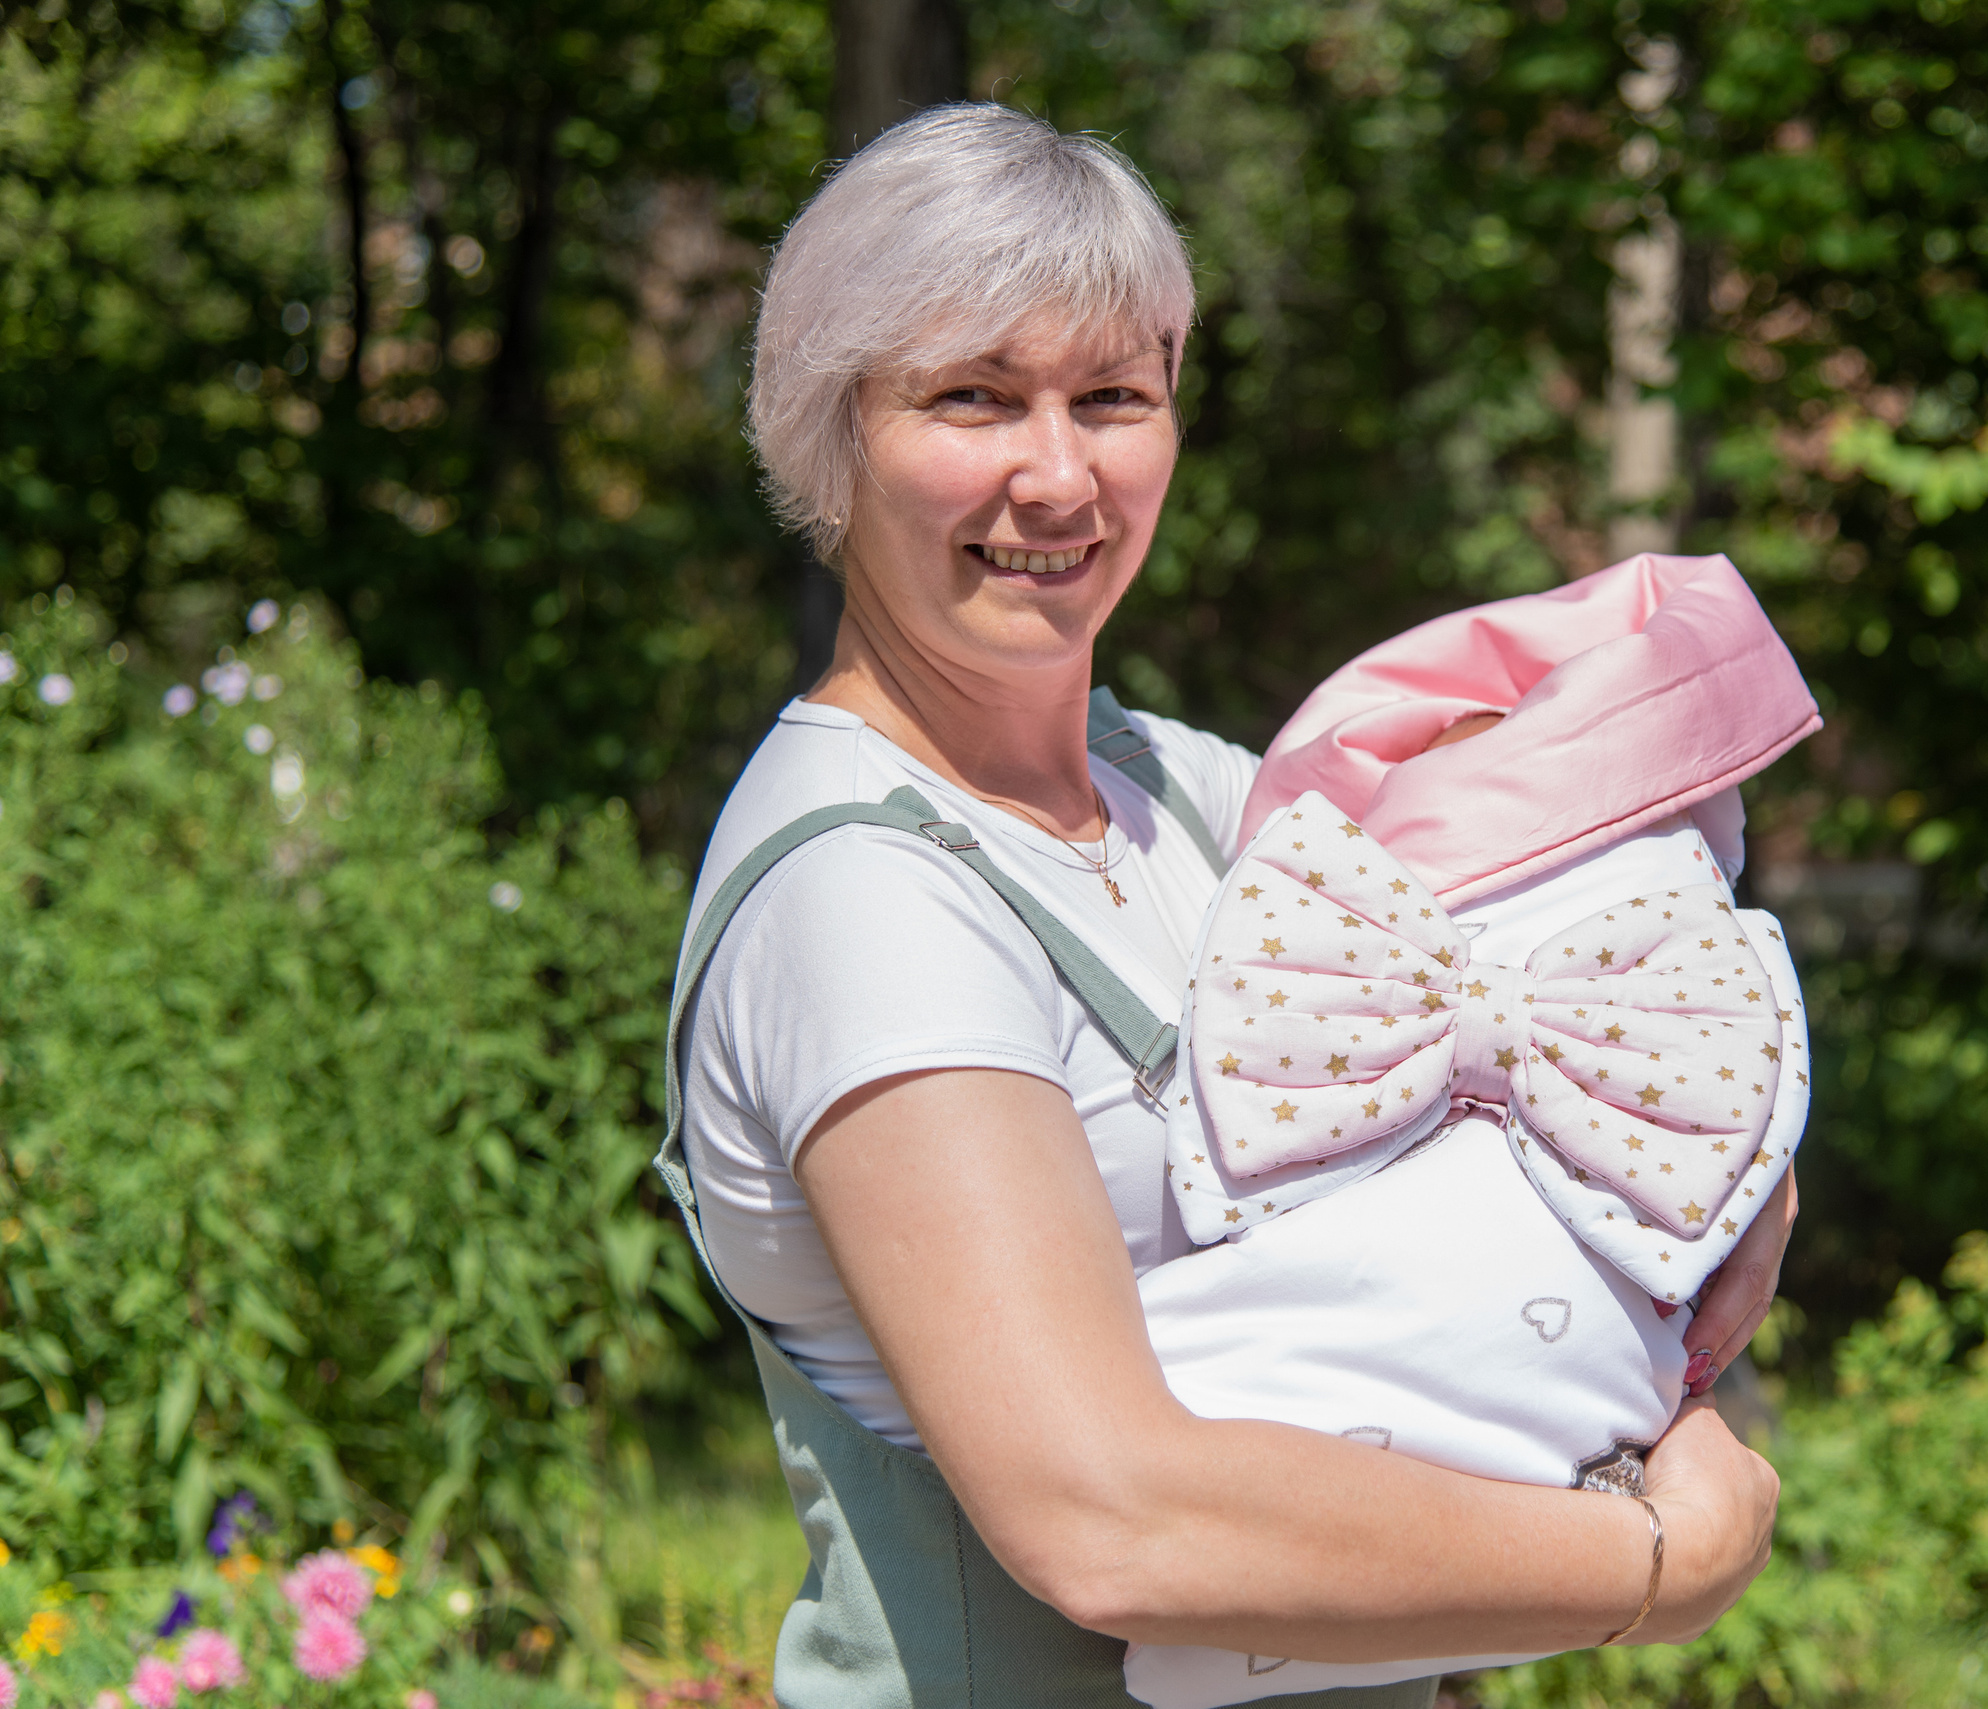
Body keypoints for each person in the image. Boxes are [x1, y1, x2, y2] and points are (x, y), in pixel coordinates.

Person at [658, 103, 1790, 1709]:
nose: (1059, 474)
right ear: (829, 433)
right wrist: (1652, 1568)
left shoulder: (1197, 796)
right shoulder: (862, 896)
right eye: (973, 396)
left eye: (1113, 397)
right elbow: (1108, 1519)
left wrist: (1746, 1181)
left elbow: (1607, 1031)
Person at [1126, 553, 1819, 1707]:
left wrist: (1752, 1114)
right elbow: (1101, 1522)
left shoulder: (1176, 785)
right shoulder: (869, 860)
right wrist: (1667, 1561)